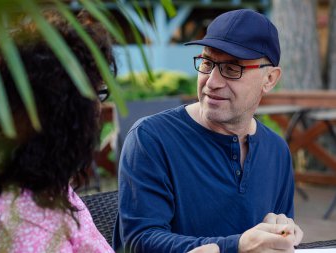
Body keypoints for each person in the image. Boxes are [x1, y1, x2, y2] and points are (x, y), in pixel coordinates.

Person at [113, 9, 303, 253]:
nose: (212, 81)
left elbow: (274, 236)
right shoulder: (151, 138)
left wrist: (282, 232)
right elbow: (139, 242)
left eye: (233, 69)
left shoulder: (276, 150)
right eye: (207, 63)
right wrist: (237, 246)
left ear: (270, 79)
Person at [0, 11, 116, 253]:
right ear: (64, 115)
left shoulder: (34, 183)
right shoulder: (17, 225)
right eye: (95, 94)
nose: (98, 109)